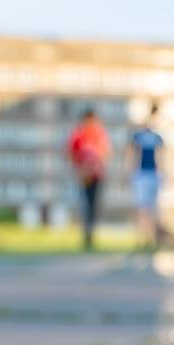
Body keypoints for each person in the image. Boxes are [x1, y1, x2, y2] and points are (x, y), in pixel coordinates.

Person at [66, 107, 110, 250]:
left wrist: (99, 167)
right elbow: (71, 154)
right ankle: (86, 234)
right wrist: (79, 170)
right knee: (85, 205)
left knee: (94, 205)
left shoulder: (99, 134)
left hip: (97, 175)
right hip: (84, 176)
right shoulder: (78, 135)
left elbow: (105, 153)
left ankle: (92, 234)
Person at [127, 102, 165, 249]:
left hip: (154, 174)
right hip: (142, 174)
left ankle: (153, 238)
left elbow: (163, 156)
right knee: (142, 208)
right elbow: (132, 153)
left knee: (154, 208)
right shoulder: (139, 136)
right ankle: (141, 238)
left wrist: (163, 173)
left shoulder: (158, 137)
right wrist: (131, 171)